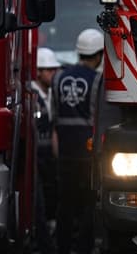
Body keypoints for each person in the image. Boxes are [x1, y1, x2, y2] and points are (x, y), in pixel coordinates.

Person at [51, 28, 104, 254]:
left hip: (64, 152)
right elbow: (98, 117)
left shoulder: (59, 78)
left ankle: (62, 247)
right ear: (100, 54)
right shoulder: (97, 81)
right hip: (88, 154)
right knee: (89, 204)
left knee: (66, 203)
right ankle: (84, 248)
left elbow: (55, 118)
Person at [30, 47, 61, 254]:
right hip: (33, 158)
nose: (53, 74)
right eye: (49, 70)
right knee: (37, 203)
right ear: (38, 71)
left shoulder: (50, 94)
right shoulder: (31, 95)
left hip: (48, 158)